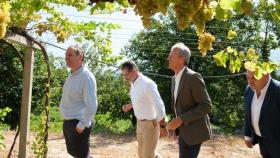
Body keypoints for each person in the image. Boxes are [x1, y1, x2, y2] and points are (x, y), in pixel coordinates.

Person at [166, 43, 212, 158]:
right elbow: (179, 106)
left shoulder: (193, 77)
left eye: (171, 56)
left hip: (194, 132)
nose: (168, 58)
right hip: (183, 132)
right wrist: (177, 129)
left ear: (182, 59)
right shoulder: (173, 79)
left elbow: (206, 106)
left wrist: (181, 119)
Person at [120, 61, 168, 158]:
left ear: (134, 71)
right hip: (139, 123)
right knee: (141, 154)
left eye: (126, 75)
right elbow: (140, 99)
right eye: (123, 75)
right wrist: (129, 106)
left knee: (148, 155)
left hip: (151, 123)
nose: (125, 78)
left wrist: (162, 126)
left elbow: (159, 105)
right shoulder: (133, 83)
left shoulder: (148, 84)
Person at [59, 46, 98, 158]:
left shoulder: (86, 76)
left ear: (80, 57)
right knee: (76, 154)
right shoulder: (72, 76)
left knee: (82, 156)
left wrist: (81, 125)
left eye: (70, 55)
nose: (66, 58)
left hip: (78, 123)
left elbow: (92, 105)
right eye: (66, 55)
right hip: (69, 123)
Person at [244, 70, 280, 158]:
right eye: (248, 78)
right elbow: (248, 113)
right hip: (263, 142)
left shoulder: (278, 91)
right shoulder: (249, 89)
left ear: (266, 75)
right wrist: (248, 135)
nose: (250, 82)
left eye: (254, 78)